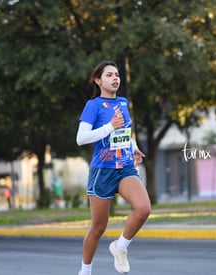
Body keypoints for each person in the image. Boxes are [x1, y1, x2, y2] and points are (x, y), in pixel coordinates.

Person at [76, 61, 151, 275]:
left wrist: (134, 147)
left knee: (143, 208)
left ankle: (120, 247)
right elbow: (81, 138)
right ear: (98, 80)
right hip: (103, 170)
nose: (115, 78)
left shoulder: (123, 103)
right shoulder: (93, 105)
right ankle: (85, 270)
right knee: (98, 228)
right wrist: (109, 127)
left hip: (125, 167)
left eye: (117, 75)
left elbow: (125, 132)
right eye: (109, 75)